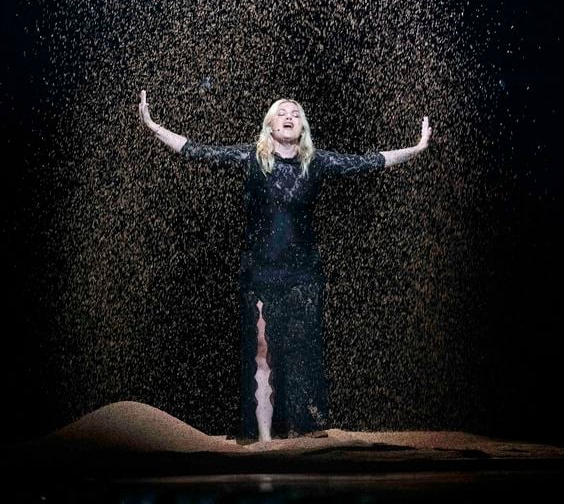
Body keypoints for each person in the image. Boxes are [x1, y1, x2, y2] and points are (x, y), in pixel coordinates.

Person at [139, 89, 432, 442]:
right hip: (260, 270)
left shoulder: (316, 162)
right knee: (262, 352)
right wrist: (154, 127)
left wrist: (416, 148)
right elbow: (200, 151)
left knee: (299, 351)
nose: (289, 116)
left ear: (303, 127)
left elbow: (367, 161)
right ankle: (264, 439)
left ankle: (299, 432)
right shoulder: (253, 158)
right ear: (270, 126)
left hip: (303, 273)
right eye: (281, 113)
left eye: (295, 113)